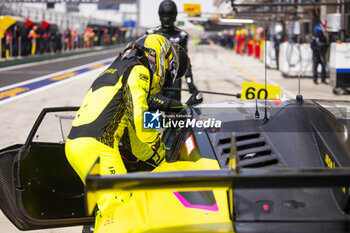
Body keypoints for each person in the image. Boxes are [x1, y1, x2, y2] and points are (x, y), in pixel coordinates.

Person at [65, 34, 189, 231]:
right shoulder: (139, 70)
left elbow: (134, 138)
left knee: (106, 208)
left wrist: (161, 160)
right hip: (98, 146)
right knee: (120, 206)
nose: (165, 82)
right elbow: (142, 121)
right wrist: (161, 145)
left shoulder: (118, 68)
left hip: (77, 145)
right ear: (162, 58)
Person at [146, 0, 197, 101]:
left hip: (174, 81)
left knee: (174, 114)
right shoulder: (150, 34)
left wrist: (190, 82)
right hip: (155, 81)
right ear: (159, 15)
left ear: (175, 15)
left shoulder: (181, 35)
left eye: (170, 14)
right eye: (164, 14)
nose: (167, 18)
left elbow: (185, 61)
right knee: (153, 115)